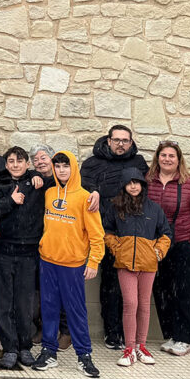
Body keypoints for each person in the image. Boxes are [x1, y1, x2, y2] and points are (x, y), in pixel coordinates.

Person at [33, 151, 104, 379]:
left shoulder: (86, 198)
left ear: (74, 168)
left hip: (72, 265)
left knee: (76, 311)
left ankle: (84, 356)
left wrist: (93, 261)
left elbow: (97, 235)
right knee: (49, 309)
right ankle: (49, 351)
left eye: (66, 166)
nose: (62, 170)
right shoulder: (49, 192)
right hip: (47, 262)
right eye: (58, 166)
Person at [80, 124, 147, 350]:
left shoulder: (138, 164)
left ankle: (131, 334)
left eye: (125, 140)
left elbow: (146, 191)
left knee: (130, 287)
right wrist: (93, 190)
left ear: (131, 142)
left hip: (131, 232)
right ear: (108, 141)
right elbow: (83, 187)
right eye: (116, 140)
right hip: (103, 232)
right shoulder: (92, 164)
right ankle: (112, 332)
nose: (120, 144)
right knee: (109, 284)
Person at [147, 141, 190, 358]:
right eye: (163, 155)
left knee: (184, 291)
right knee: (161, 290)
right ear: (157, 158)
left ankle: (184, 338)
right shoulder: (149, 182)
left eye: (171, 156)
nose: (167, 159)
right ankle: (171, 335)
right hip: (158, 245)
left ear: (179, 159)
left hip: (184, 243)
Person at [103, 168, 170, 368]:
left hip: (148, 265)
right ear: (124, 185)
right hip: (125, 265)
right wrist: (118, 248)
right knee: (130, 304)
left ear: (143, 185)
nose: (133, 186)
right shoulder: (115, 207)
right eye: (129, 182)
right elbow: (107, 231)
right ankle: (129, 348)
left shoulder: (154, 209)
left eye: (137, 182)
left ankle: (141, 345)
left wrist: (157, 252)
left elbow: (165, 234)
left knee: (143, 305)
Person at [0, 149, 47, 369]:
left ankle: (24, 346)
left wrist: (38, 176)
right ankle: (9, 348)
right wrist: (10, 200)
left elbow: (58, 181)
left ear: (26, 163)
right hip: (4, 251)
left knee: (25, 303)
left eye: (19, 161)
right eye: (11, 161)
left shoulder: (36, 183)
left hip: (29, 252)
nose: (15, 165)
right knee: (4, 303)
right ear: (6, 164)